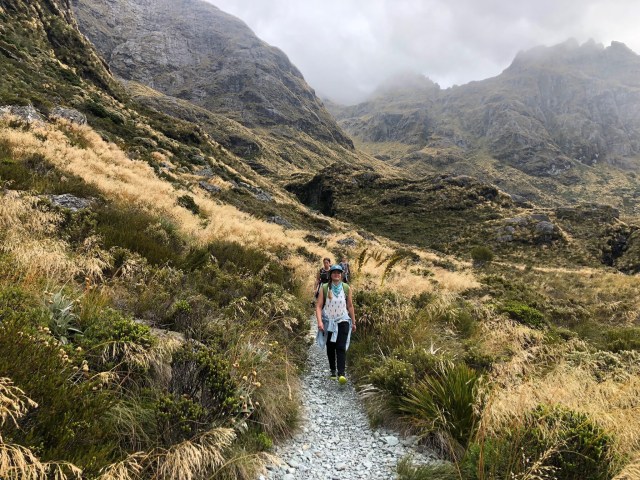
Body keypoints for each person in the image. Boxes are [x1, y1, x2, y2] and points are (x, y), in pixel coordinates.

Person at [316, 264, 356, 384]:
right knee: (330, 346)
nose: (336, 274)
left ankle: (341, 374)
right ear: (331, 274)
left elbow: (350, 306)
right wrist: (319, 322)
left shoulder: (346, 288)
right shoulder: (324, 287)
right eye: (334, 272)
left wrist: (353, 322)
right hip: (328, 322)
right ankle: (333, 371)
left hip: (343, 320)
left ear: (341, 275)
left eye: (338, 272)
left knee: (341, 346)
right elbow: (318, 306)